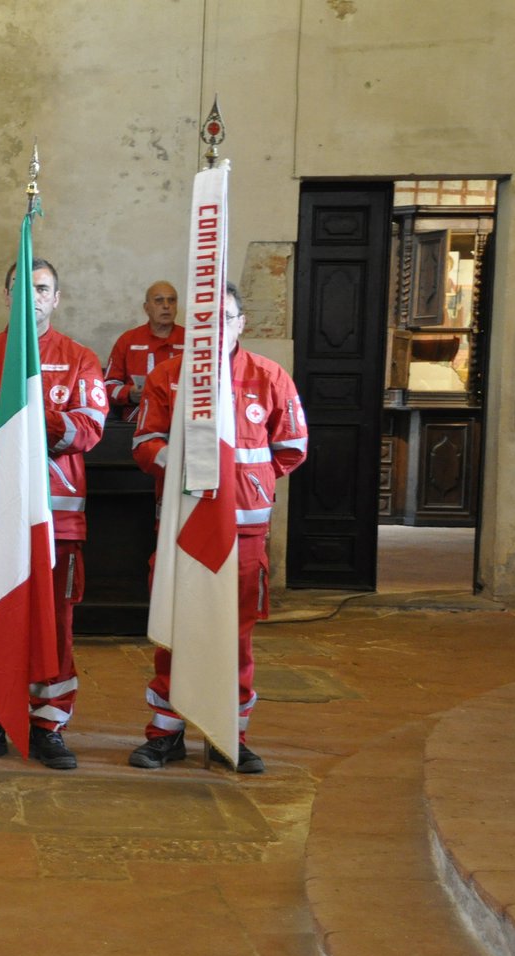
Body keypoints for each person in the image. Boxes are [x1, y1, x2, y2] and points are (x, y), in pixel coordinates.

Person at [128, 282, 308, 774]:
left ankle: (230, 734)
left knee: (237, 639)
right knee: (175, 633)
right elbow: (144, 443)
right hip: (183, 531)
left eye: (225, 317)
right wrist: (184, 471)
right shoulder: (168, 376)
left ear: (241, 323)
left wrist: (246, 482)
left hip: (243, 535)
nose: (216, 326)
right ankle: (165, 735)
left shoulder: (270, 377)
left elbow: (291, 447)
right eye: (206, 318)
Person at [0, 259, 108, 769]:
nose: (32, 296)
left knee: (54, 625)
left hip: (56, 523)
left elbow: (91, 429)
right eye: (21, 288)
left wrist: (34, 408)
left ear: (56, 298)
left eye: (42, 288)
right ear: (7, 296)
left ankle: (47, 725)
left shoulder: (80, 359)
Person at [103, 281, 182, 422]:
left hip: (180, 424)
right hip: (136, 425)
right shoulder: (128, 340)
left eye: (171, 300)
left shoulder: (191, 341)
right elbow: (107, 388)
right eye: (159, 301)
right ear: (146, 308)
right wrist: (129, 394)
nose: (166, 306)